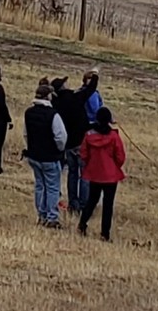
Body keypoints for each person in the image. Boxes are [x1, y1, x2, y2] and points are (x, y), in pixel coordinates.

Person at [51, 71, 99, 213]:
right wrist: (95, 76)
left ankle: (73, 204)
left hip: (67, 143)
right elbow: (91, 89)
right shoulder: (75, 97)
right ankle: (84, 204)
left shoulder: (56, 103)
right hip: (81, 141)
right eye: (65, 83)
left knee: (72, 173)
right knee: (84, 173)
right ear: (63, 87)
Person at [78, 106, 126, 242]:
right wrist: (115, 166)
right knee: (108, 205)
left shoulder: (89, 135)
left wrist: (91, 164)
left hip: (94, 173)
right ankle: (105, 234)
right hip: (110, 175)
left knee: (91, 201)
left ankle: (82, 224)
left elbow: (83, 154)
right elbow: (120, 156)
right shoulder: (114, 136)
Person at [23, 83, 68, 228]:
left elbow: (25, 134)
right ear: (48, 96)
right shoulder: (53, 115)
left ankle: (41, 215)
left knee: (40, 186)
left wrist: (31, 146)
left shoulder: (29, 112)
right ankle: (52, 217)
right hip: (50, 157)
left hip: (34, 156)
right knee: (53, 187)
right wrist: (59, 150)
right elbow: (61, 137)